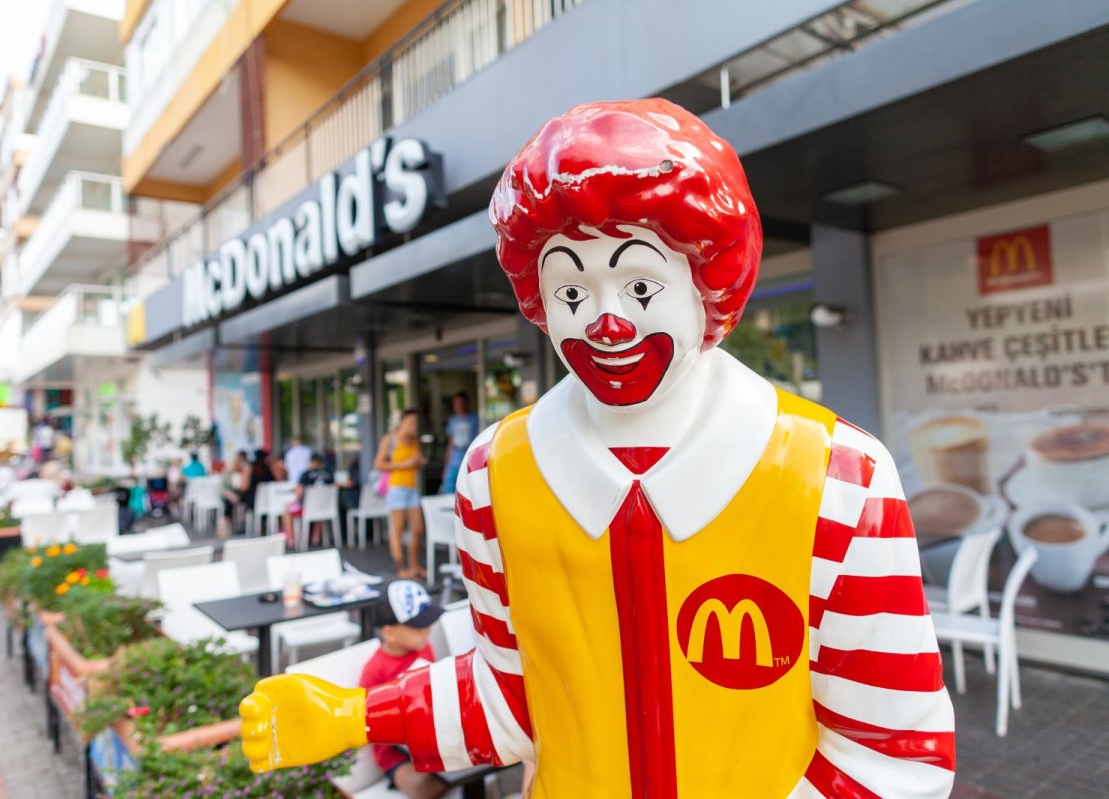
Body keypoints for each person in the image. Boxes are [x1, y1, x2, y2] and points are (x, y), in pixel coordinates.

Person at [242, 100, 955, 797]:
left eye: (640, 284)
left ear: (708, 282)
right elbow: (514, 700)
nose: (607, 321)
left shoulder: (839, 476)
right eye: (572, 291)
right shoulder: (494, 479)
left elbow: (893, 750)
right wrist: (357, 713)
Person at [357, 581, 446, 799]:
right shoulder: (375, 671)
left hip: (432, 739)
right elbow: (367, 721)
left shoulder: (425, 648)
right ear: (390, 633)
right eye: (418, 626)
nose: (428, 630)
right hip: (395, 755)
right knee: (423, 786)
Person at [374, 410, 427, 579]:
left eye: (416, 422)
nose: (414, 425)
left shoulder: (414, 441)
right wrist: (403, 465)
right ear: (402, 422)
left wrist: (419, 462)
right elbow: (379, 464)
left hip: (412, 488)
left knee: (418, 529)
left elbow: (417, 464)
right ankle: (400, 568)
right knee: (398, 529)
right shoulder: (390, 439)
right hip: (396, 488)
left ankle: (414, 566)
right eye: (411, 422)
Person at [283, 453, 334, 547]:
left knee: (287, 509)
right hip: (325, 508)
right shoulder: (329, 474)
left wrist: (294, 499)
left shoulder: (306, 474)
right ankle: (316, 537)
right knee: (319, 509)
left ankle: (291, 540)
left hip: (306, 509)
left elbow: (299, 493)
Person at [441, 392, 480, 494]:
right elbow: (450, 443)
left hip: (468, 457)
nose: (459, 406)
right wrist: (446, 465)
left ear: (467, 403)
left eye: (461, 403)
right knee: (448, 488)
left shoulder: (475, 419)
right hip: (454, 458)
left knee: (468, 488)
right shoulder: (453, 420)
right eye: (457, 403)